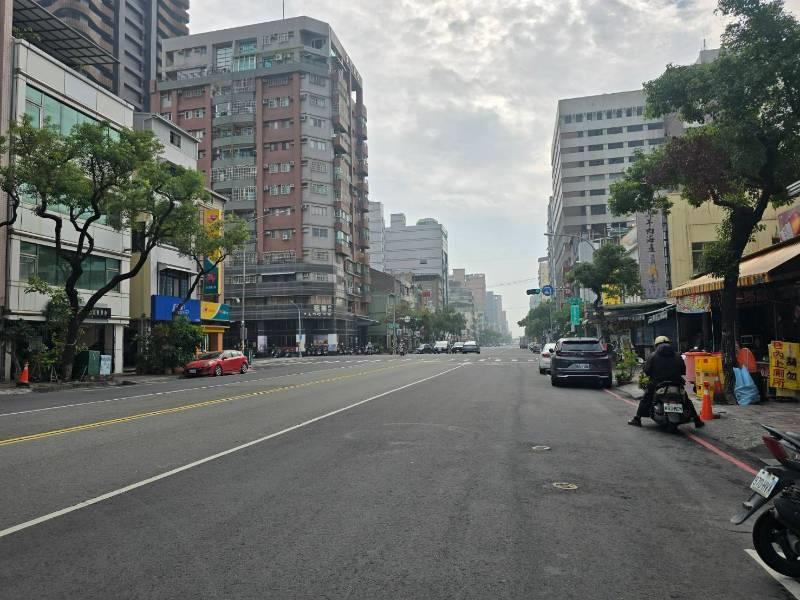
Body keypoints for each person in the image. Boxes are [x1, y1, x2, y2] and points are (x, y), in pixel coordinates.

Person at [628, 335, 704, 428]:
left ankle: (637, 419)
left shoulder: (652, 356)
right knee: (686, 400)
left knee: (646, 398)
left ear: (656, 345)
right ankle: (697, 420)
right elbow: (683, 371)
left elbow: (647, 371)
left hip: (657, 384)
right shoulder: (677, 355)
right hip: (676, 383)